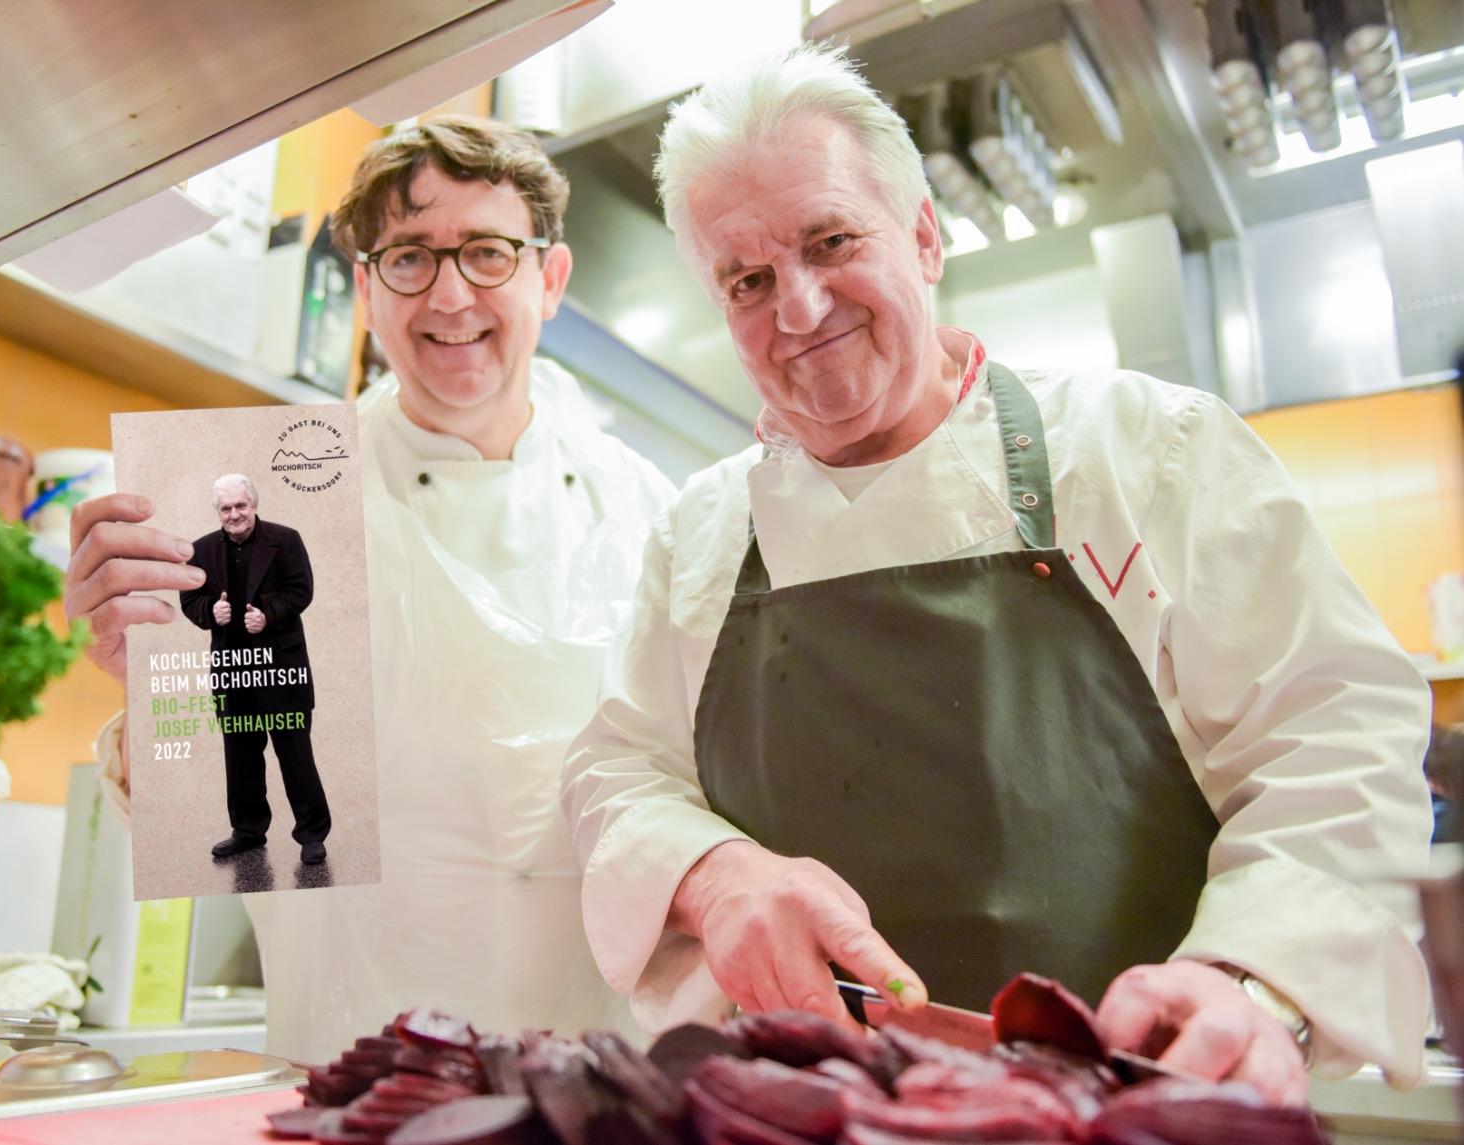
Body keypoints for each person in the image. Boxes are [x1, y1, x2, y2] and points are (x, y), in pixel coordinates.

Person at [560, 44, 1435, 1104]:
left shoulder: (1147, 449)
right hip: (812, 1118)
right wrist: (711, 872)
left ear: (924, 234)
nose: (797, 309)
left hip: (1139, 1106)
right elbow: (617, 773)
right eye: (748, 280)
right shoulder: (698, 531)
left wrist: (1248, 980)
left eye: (831, 240)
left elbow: (1334, 733)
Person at [64, 117, 676, 1062]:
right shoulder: (280, 497)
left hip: (597, 1078)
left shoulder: (648, 510)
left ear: (548, 280)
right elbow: (236, 832)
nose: (449, 293)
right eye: (409, 260)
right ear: (365, 291)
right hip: (353, 1061)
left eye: (487, 252)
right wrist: (155, 689)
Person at [181, 473, 330, 866]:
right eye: (226, 508)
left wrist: (268, 615)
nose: (234, 514)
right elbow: (190, 599)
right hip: (233, 670)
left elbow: (301, 590)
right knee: (241, 756)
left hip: (281, 668)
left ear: (254, 505)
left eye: (240, 506)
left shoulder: (287, 539)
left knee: (295, 755)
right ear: (218, 512)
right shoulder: (199, 551)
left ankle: (312, 835)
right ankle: (247, 831)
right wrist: (210, 612)